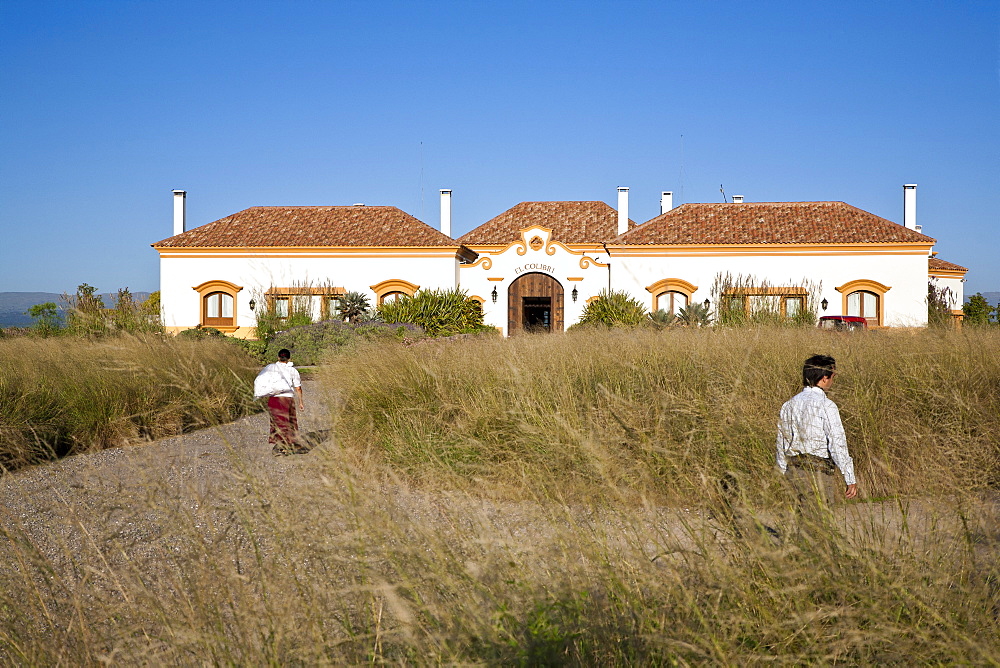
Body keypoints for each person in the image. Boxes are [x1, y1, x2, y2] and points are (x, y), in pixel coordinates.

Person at [776, 355, 857, 509]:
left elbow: (782, 442)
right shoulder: (827, 405)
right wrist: (849, 477)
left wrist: (782, 473)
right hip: (818, 473)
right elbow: (837, 443)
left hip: (794, 472)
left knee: (801, 523)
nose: (833, 380)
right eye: (833, 376)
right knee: (820, 524)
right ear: (825, 378)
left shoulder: (788, 405)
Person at [263, 348, 305, 455]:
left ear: (278, 358)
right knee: (289, 422)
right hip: (287, 399)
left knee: (277, 422)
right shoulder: (292, 371)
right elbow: (298, 388)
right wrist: (300, 402)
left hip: (274, 398)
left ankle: (282, 444)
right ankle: (285, 445)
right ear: (289, 358)